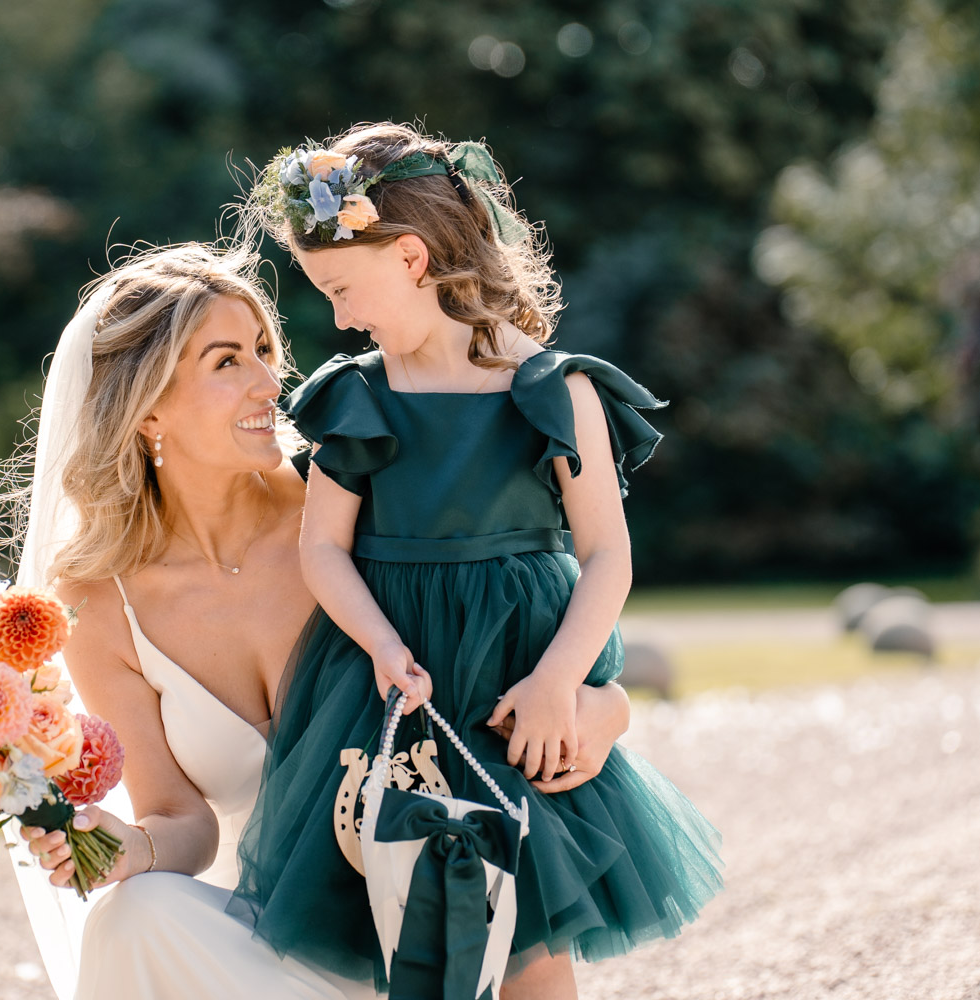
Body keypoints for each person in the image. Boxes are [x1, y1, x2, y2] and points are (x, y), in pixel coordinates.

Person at [10, 242, 637, 1000]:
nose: (269, 382)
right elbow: (182, 820)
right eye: (227, 361)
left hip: (427, 940)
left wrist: (606, 706)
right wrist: (133, 849)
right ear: (146, 409)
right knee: (133, 916)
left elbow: (499, 644)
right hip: (272, 945)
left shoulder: (351, 512)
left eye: (263, 350)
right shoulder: (100, 605)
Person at [225, 123, 725, 1000]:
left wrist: (559, 683)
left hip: (515, 682)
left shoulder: (557, 390)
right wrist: (381, 646)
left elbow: (607, 553)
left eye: (341, 289)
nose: (337, 317)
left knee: (528, 931)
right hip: (389, 683)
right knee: (405, 916)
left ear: (410, 257)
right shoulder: (355, 396)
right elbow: (323, 548)